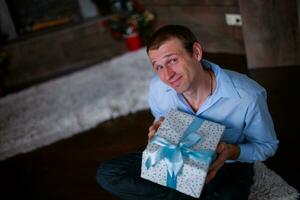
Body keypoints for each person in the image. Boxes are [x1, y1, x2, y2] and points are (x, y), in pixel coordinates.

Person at [96, 25, 279, 200]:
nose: (167, 75)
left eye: (172, 60)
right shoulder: (157, 89)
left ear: (196, 52)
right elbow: (162, 128)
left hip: (226, 166)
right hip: (177, 157)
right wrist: (157, 135)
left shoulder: (248, 96)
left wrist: (232, 151)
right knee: (109, 173)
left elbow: (266, 146)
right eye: (158, 66)